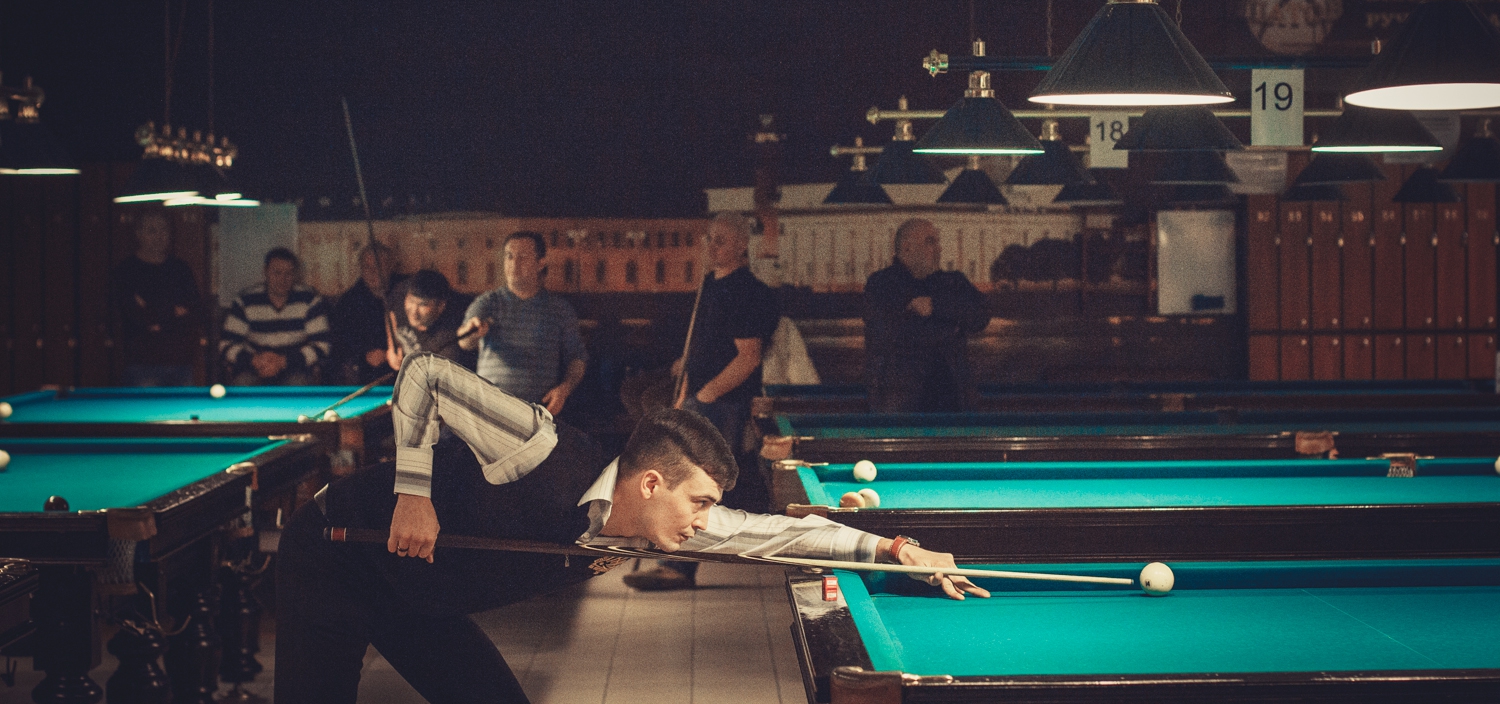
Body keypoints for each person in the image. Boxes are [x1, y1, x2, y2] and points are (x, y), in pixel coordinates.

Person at [274, 354, 985, 704]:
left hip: (422, 599)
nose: (706, 522)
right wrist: (412, 494)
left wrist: (897, 548)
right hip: (336, 559)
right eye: (698, 502)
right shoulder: (541, 448)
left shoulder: (667, 520)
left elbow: (780, 536)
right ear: (650, 484)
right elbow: (426, 374)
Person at [625, 211, 778, 591]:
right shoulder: (711, 283)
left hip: (722, 404)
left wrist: (705, 396)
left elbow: (748, 357)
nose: (712, 246)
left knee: (694, 486)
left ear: (741, 245)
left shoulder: (746, 291)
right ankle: (671, 557)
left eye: (721, 240)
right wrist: (685, 393)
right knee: (683, 479)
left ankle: (677, 566)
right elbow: (703, 341)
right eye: (710, 239)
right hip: (699, 398)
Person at [863, 218, 989, 414]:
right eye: (930, 242)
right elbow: (888, 331)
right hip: (900, 410)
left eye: (937, 242)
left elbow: (981, 315)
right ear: (907, 248)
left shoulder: (953, 282)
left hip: (954, 404)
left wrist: (936, 306)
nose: (939, 248)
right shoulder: (882, 283)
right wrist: (950, 326)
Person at [459, 232, 586, 416]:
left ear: (541, 263)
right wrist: (472, 332)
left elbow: (577, 357)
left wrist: (564, 390)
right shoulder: (488, 302)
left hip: (537, 410)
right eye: (509, 256)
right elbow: (464, 341)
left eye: (523, 257)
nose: (514, 264)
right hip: (490, 408)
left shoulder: (559, 309)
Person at [113, 210, 201, 387]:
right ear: (139, 234)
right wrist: (172, 312)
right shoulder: (126, 270)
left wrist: (153, 312)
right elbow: (135, 316)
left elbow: (194, 312)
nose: (159, 236)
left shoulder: (180, 269)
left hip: (180, 363)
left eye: (163, 230)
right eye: (152, 230)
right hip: (142, 365)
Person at [221, 247, 333, 386]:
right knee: (242, 383)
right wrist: (255, 360)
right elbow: (226, 345)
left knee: (298, 384)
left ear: (295, 275)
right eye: (277, 273)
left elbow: (322, 345)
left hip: (295, 368)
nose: (283, 279)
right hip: (254, 368)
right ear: (265, 272)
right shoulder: (245, 300)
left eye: (289, 273)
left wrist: (283, 362)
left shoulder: (310, 299)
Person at [330, 243, 398, 385]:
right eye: (367, 267)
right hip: (368, 371)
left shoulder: (406, 290)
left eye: (378, 266)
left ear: (390, 266)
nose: (373, 272)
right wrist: (364, 356)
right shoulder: (348, 302)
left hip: (404, 364)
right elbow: (339, 345)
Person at [386, 269, 475, 371]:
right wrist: (392, 347)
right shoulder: (401, 292)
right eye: (411, 301)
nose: (414, 311)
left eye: (423, 304)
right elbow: (390, 312)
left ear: (440, 306)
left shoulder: (449, 335)